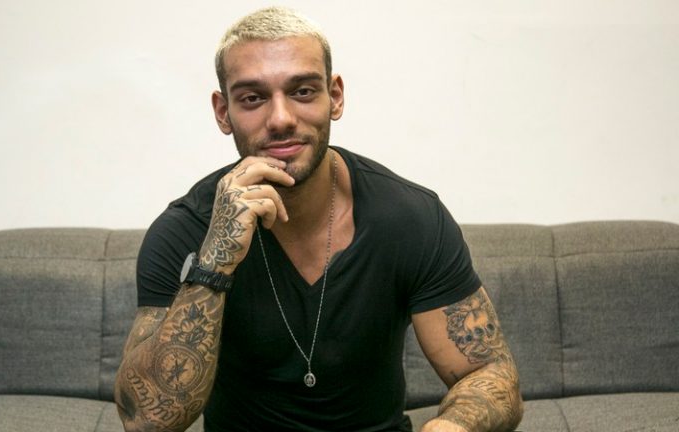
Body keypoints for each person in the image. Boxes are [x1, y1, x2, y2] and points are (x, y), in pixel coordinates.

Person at [114, 6, 523, 432]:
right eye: (253, 98)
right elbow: (147, 420)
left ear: (336, 97)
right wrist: (215, 261)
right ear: (223, 112)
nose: (281, 119)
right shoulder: (185, 229)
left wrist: (452, 427)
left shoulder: (410, 218)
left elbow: (490, 373)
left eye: (303, 91)